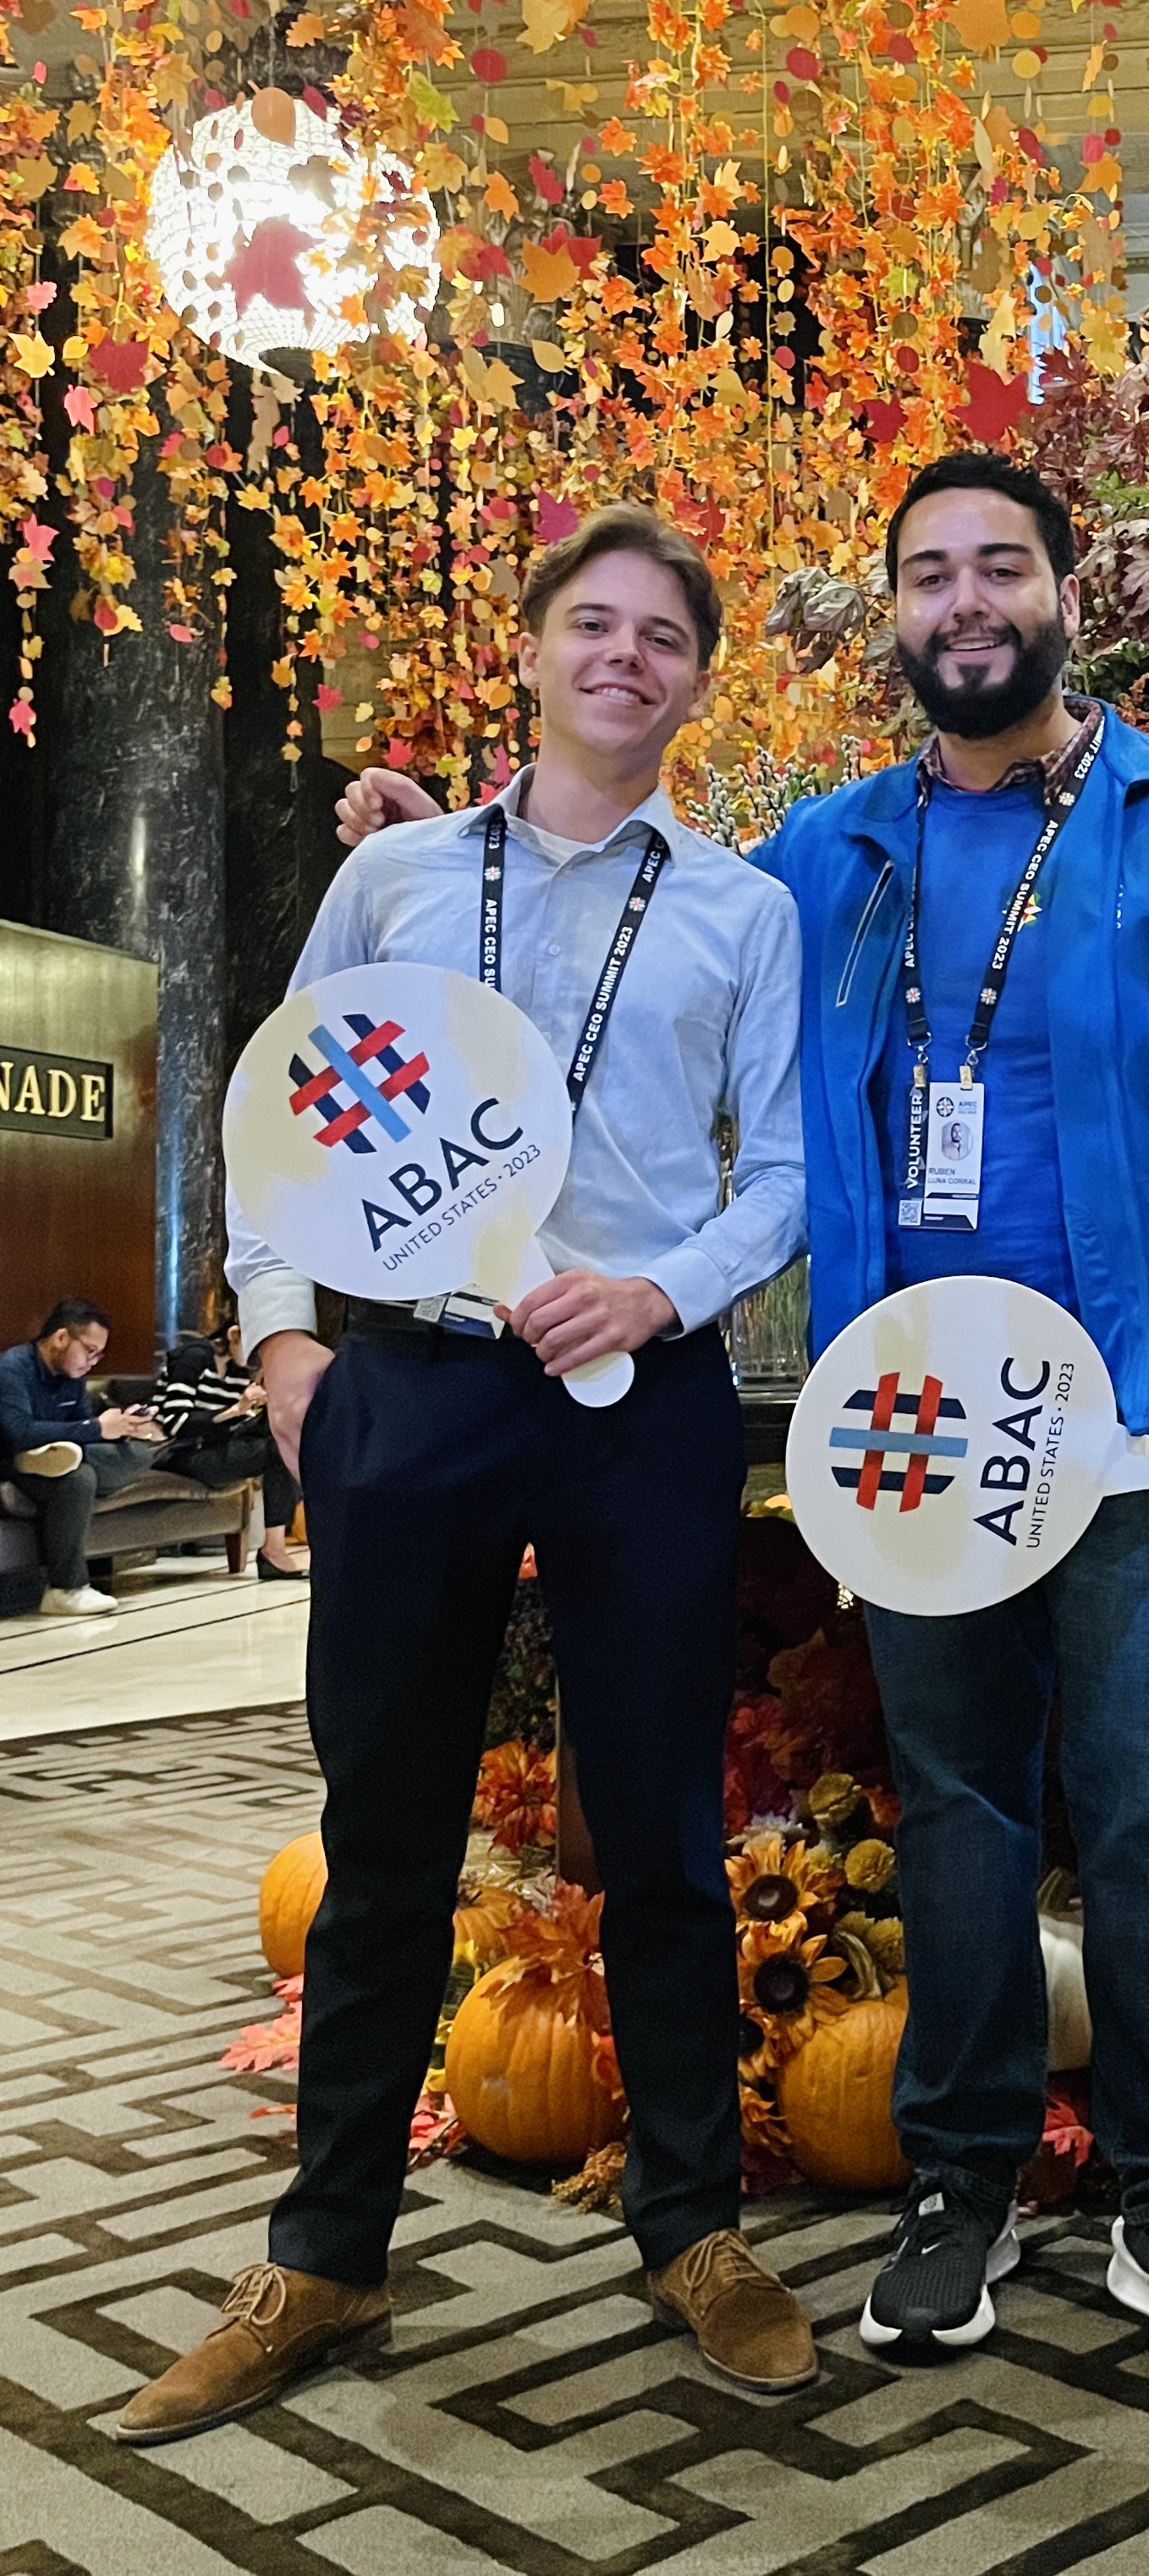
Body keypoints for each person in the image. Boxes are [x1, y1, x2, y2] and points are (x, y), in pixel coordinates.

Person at [118, 502, 811, 2446]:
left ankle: (693, 2225)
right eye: (589, 623)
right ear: (526, 652)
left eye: (661, 634)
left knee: (666, 1824)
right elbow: (286, 1096)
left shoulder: (743, 908)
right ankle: (327, 2247)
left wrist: (659, 1287)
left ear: (694, 676)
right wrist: (281, 1340)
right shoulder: (405, 873)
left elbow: (783, 1175)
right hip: (412, 1390)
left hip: (641, 1395)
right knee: (386, 1827)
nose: (623, 656)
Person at [751, 451, 1149, 2376]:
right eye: (931, 572)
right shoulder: (828, 855)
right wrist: (443, 857)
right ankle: (960, 2179)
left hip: (1141, 1425)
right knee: (964, 1809)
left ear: (1069, 597)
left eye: (1004, 565)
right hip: (912, 1427)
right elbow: (657, 999)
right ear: (896, 609)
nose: (967, 601)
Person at [0, 1297, 168, 1617]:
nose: (93, 1361)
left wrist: (121, 1427)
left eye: (99, 1354)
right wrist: (95, 1429)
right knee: (80, 1478)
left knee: (141, 1449)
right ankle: (66, 1589)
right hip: (14, 1462)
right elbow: (18, 1431)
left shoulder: (73, 1378)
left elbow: (82, 1426)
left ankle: (65, 1459)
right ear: (61, 1338)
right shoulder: (12, 1368)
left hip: (66, 1455)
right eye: (90, 1350)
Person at [153, 1325, 306, 1579]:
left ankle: (276, 1547)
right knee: (278, 1448)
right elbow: (175, 1422)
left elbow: (231, 1425)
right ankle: (274, 1551)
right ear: (235, 1335)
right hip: (178, 1451)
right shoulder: (193, 1357)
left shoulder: (239, 1369)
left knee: (287, 1435)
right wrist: (238, 1409)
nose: (258, 1359)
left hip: (212, 1446)